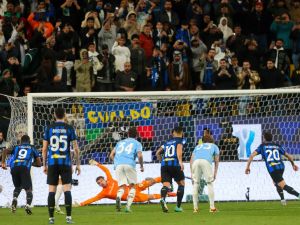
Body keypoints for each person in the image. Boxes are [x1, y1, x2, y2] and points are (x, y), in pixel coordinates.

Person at [77, 159, 175, 206]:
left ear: (104, 180)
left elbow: (106, 170)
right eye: (99, 183)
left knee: (150, 182)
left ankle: (166, 178)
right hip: (133, 197)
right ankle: (173, 194)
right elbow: (93, 199)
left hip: (133, 187)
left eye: (101, 181)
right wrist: (81, 204)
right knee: (152, 197)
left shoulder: (110, 180)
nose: (101, 183)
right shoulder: (104, 193)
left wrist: (97, 164)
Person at [42, 107, 81, 224]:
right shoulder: (69, 128)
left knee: (51, 190)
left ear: (54, 115)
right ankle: (68, 218)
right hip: (65, 163)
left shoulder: (49, 128)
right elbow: (76, 149)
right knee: (67, 189)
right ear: (64, 115)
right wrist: (77, 164)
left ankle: (51, 219)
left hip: (53, 163)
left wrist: (44, 165)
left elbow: (44, 149)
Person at [245, 131, 300, 205]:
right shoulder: (277, 145)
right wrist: (293, 164)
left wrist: (248, 167)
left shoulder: (262, 146)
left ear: (264, 138)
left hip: (273, 169)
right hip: (281, 166)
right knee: (276, 182)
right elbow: (289, 156)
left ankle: (298, 195)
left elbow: (251, 155)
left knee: (283, 185)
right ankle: (283, 200)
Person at [1, 135, 41, 215]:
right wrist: (31, 163)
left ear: (21, 141)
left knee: (17, 187)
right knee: (28, 189)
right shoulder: (32, 147)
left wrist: (3, 162)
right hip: (24, 168)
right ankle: (28, 205)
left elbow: (4, 151)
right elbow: (39, 163)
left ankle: (15, 199)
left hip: (14, 167)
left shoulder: (17, 147)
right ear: (29, 141)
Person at [109, 127, 144, 213]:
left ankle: (119, 197)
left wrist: (117, 163)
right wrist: (141, 166)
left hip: (118, 165)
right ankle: (128, 207)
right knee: (133, 186)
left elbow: (111, 155)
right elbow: (140, 155)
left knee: (122, 186)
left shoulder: (119, 142)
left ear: (128, 134)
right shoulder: (137, 143)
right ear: (136, 135)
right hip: (129, 164)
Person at [156, 126, 185, 213]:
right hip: (175, 164)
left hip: (164, 165)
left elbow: (157, 153)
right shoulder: (179, 141)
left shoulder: (167, 142)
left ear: (174, 132)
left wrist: (162, 162)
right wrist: (180, 162)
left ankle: (163, 199)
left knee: (166, 185)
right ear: (181, 132)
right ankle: (178, 207)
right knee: (181, 184)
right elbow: (179, 151)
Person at [190, 134, 219, 213]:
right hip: (206, 162)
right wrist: (215, 173)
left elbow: (191, 160)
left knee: (196, 183)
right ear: (211, 140)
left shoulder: (197, 146)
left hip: (196, 162)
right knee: (209, 183)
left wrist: (191, 173)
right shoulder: (214, 146)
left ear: (202, 141)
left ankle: (195, 208)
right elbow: (216, 160)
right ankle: (212, 208)